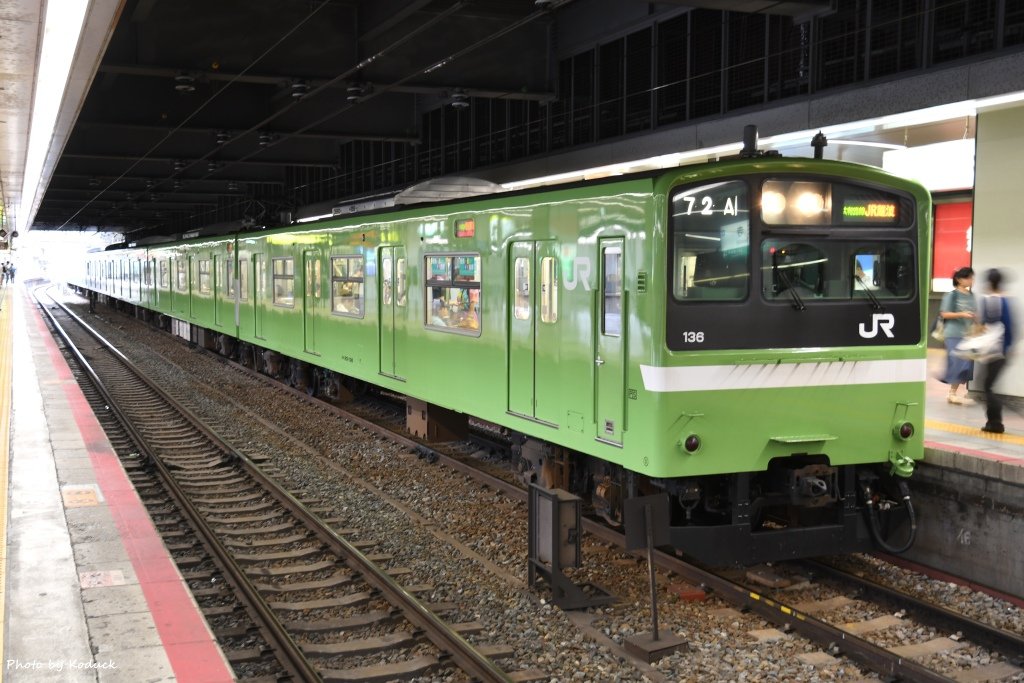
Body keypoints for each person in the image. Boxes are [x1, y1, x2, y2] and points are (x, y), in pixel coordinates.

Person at [978, 268, 1014, 433]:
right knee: (988, 385)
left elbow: (984, 324)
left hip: (991, 350)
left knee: (988, 386)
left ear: (989, 282)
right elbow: (1009, 326)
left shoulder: (988, 300)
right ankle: (994, 422)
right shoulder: (1003, 301)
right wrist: (1008, 348)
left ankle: (996, 423)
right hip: (999, 350)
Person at [939, 267, 977, 404]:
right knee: (958, 364)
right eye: (969, 277)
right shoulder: (952, 296)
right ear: (959, 280)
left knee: (966, 365)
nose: (971, 280)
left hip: (967, 335)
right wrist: (962, 314)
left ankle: (954, 392)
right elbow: (944, 314)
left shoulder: (971, 295)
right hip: (953, 334)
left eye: (972, 277)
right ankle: (952, 393)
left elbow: (974, 312)